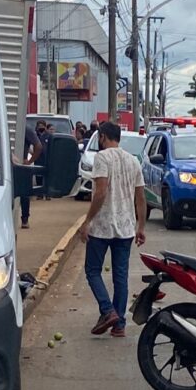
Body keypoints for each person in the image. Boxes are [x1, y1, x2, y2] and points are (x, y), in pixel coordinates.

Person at [77, 121, 146, 338]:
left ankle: (107, 311)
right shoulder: (133, 160)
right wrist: (141, 226)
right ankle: (119, 325)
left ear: (103, 137)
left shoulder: (102, 157)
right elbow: (141, 197)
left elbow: (100, 192)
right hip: (126, 227)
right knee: (120, 277)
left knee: (92, 270)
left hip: (102, 226)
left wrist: (87, 220)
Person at [19, 125, 43, 229]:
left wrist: (29, 161)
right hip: (17, 163)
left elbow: (38, 146)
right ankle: (24, 219)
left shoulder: (25, 129)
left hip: (20, 164)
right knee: (23, 192)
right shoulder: (25, 129)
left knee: (24, 193)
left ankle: (25, 219)